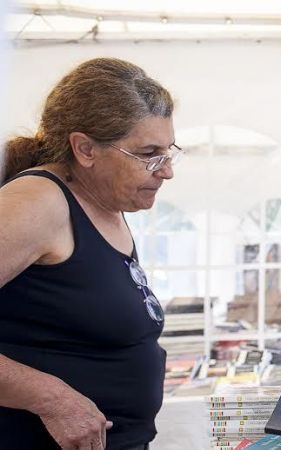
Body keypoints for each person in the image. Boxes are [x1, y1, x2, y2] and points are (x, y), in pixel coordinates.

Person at [0, 58, 180, 449]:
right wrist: (50, 398)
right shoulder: (37, 203)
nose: (166, 171)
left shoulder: (105, 201)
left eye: (169, 151)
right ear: (84, 149)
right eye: (148, 153)